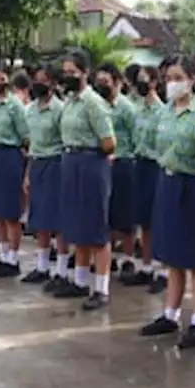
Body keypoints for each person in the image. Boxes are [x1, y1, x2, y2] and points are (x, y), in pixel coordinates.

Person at [140, 56, 195, 347]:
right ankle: (170, 314)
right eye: (169, 77)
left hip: (193, 185)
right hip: (167, 182)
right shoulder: (166, 112)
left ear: (193, 79)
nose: (173, 83)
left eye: (178, 77)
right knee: (172, 256)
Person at [54, 50, 116, 309]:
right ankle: (80, 281)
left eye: (73, 72)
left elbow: (109, 142)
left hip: (91, 163)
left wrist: (91, 155)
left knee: (95, 226)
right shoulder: (69, 101)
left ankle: (101, 288)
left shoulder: (93, 102)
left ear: (85, 73)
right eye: (65, 72)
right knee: (76, 224)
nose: (68, 76)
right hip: (70, 161)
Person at [0, 62, 30, 277]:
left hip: (11, 155)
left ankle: (13, 258)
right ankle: (2, 255)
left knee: (11, 211)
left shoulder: (15, 106)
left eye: (2, 79)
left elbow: (25, 135)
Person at [21, 64, 69, 287]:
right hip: (37, 163)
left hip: (56, 164)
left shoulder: (60, 110)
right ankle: (42, 266)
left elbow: (66, 142)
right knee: (39, 217)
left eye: (44, 80)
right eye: (36, 79)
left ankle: (61, 269)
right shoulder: (30, 110)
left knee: (58, 219)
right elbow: (31, 144)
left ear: (52, 83)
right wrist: (28, 174)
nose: (38, 84)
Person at [97, 63, 140, 281]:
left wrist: (125, 155)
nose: (102, 86)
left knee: (126, 214)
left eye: (106, 82)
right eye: (99, 83)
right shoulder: (98, 106)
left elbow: (136, 138)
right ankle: (110, 256)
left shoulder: (127, 108)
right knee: (107, 212)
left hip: (124, 163)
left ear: (117, 82)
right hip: (103, 164)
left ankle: (129, 258)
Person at [129, 65, 167, 292]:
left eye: (145, 79)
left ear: (155, 82)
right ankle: (145, 266)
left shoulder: (161, 112)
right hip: (140, 164)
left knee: (157, 219)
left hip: (155, 166)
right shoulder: (138, 109)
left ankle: (162, 269)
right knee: (143, 219)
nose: (141, 83)